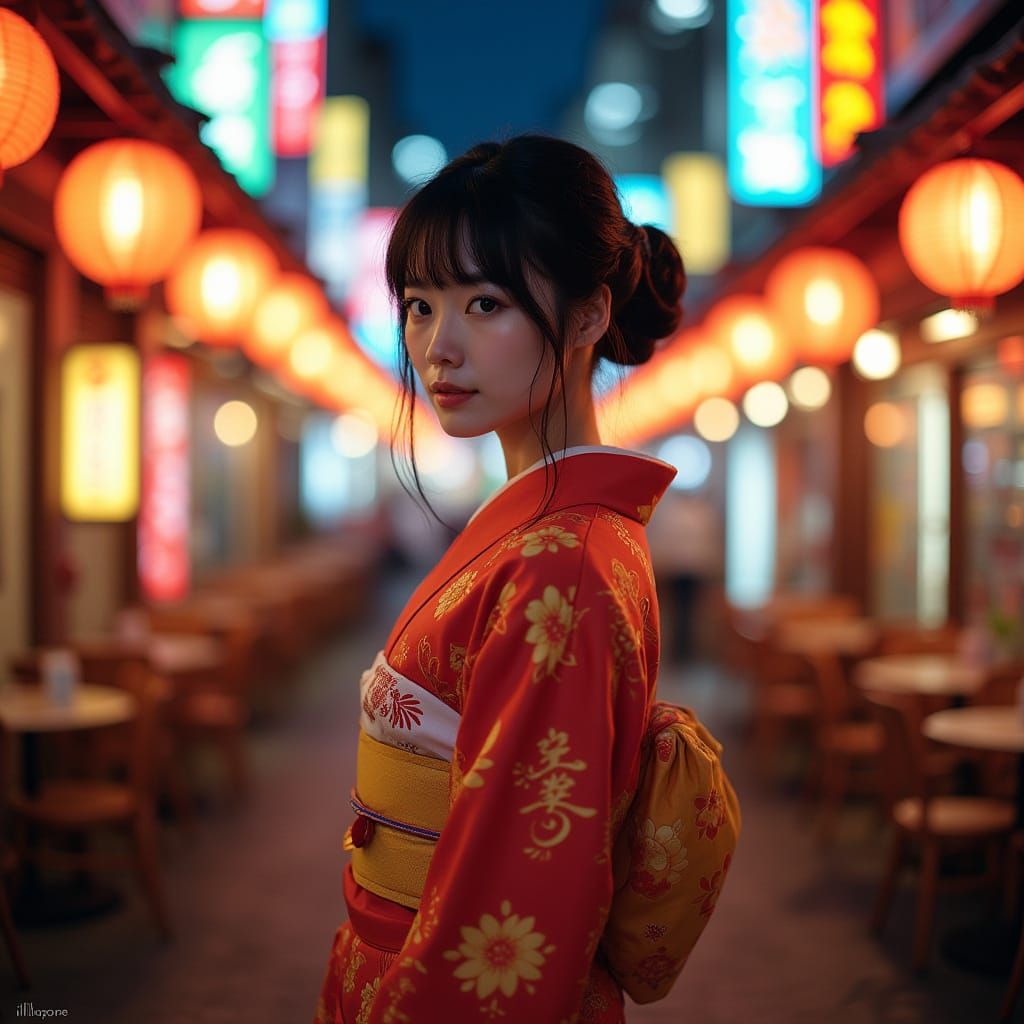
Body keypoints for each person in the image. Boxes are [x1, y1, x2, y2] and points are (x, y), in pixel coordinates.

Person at [314, 135, 726, 1024]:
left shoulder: (559, 565)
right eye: (419, 305)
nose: (438, 346)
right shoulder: (553, 534)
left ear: (585, 317)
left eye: (485, 301)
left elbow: (518, 898)